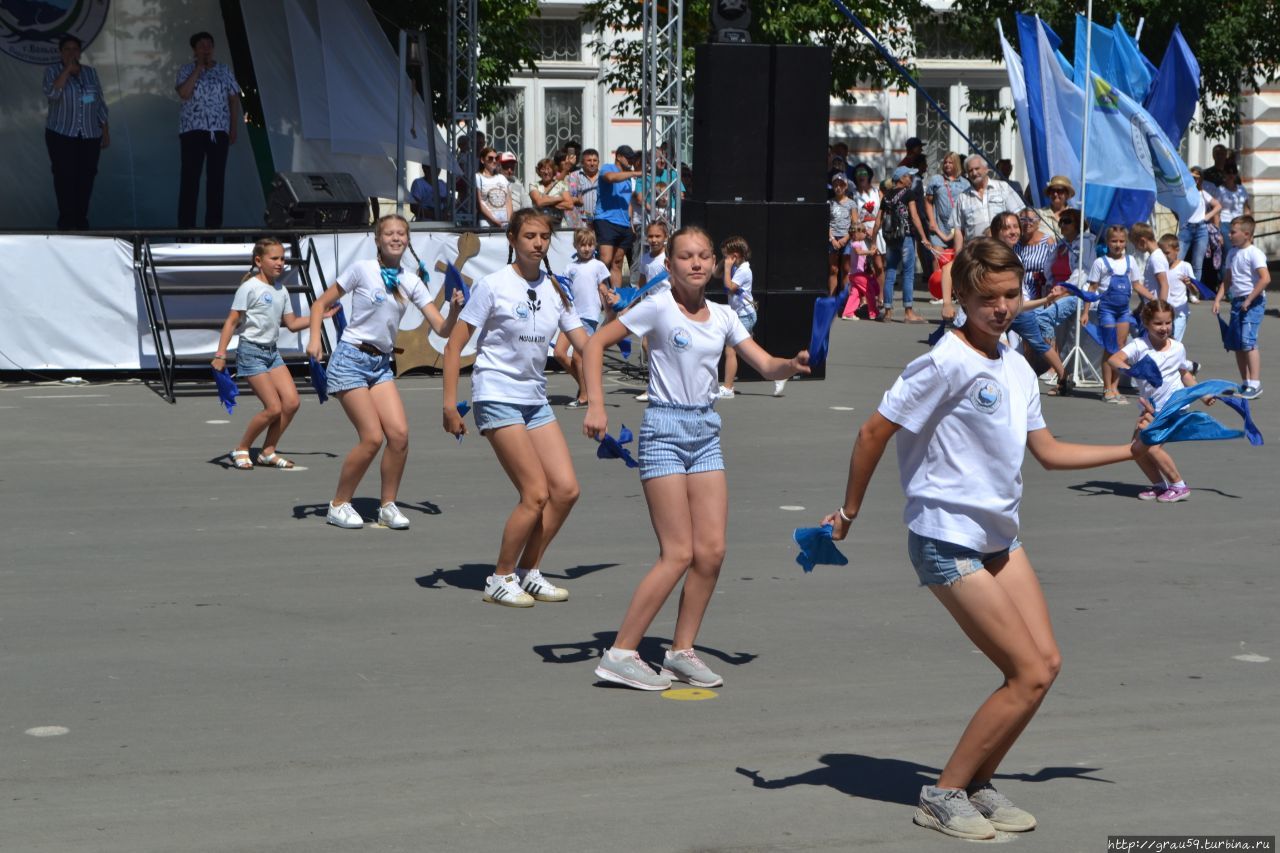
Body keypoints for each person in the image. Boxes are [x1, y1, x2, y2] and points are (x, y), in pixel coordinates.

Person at [822, 238, 1154, 840]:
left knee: (1046, 665)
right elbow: (873, 432)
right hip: (946, 539)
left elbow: (1048, 454)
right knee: (1025, 672)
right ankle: (943, 792)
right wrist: (848, 513)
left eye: (1010, 295)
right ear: (963, 299)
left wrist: (1129, 453)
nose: (1001, 308)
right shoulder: (944, 361)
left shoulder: (1018, 365)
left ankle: (977, 782)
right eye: (987, 299)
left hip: (1001, 540)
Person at [581, 224, 810, 691]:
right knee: (678, 552)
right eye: (686, 256)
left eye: (704, 255)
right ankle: (621, 652)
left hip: (705, 432)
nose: (697, 263)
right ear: (669, 265)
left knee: (711, 551)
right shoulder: (658, 306)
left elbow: (763, 365)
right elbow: (595, 344)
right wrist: (597, 405)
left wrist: (789, 365)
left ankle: (681, 652)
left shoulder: (725, 316)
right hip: (663, 430)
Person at [442, 209, 590, 606]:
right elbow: (454, 346)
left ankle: (529, 570)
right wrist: (449, 405)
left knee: (566, 490)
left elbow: (585, 344)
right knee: (535, 492)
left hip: (535, 398)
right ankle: (500, 577)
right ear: (512, 239)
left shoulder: (557, 290)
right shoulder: (493, 285)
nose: (538, 243)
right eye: (529, 236)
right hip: (496, 394)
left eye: (544, 236)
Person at [306, 214, 465, 529]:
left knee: (399, 435)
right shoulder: (361, 270)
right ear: (377, 240)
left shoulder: (411, 280)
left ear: (408, 240)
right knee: (371, 437)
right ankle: (339, 504)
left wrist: (455, 309)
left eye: (401, 234)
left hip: (380, 365)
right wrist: (314, 340)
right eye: (389, 233)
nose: (396, 238)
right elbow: (319, 304)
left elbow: (442, 329)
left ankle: (388, 505)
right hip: (350, 358)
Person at [214, 238, 334, 470]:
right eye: (275, 258)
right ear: (259, 261)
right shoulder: (248, 288)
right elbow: (231, 322)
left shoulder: (281, 290)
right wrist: (220, 355)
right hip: (251, 352)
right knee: (273, 408)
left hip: (272, 353)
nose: (280, 263)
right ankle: (242, 447)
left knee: (291, 402)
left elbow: (291, 323)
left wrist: (320, 317)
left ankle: (267, 451)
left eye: (283, 259)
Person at [1107, 300, 1200, 503]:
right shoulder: (1140, 346)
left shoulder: (1177, 348)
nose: (1164, 328)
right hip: (1150, 407)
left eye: (1168, 323)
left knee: (1151, 445)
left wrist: (1202, 393)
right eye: (1158, 323)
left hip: (1173, 406)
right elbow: (1114, 359)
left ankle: (1179, 485)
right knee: (1136, 448)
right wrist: (1131, 370)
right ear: (1147, 323)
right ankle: (1159, 485)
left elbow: (1184, 373)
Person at [175, 31, 241, 230]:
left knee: (216, 179)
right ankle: (186, 228)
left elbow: (233, 98)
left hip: (218, 130)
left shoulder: (224, 70)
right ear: (194, 50)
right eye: (201, 45)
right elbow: (184, 93)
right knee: (190, 178)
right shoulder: (186, 70)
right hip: (192, 130)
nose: (206, 48)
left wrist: (233, 127)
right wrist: (199, 69)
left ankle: (212, 228)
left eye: (209, 44)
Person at [43, 34, 109, 231]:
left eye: (75, 49)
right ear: (61, 52)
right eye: (67, 49)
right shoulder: (52, 70)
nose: (72, 52)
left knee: (86, 178)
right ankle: (66, 223)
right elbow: (52, 93)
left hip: (89, 135)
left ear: (80, 52)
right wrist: (66, 71)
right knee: (65, 178)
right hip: (62, 134)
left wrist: (105, 130)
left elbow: (98, 103)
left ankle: (81, 222)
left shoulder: (90, 73)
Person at [1088, 225, 1156, 404]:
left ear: (1126, 242)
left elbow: (1137, 285)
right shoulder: (1100, 262)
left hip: (1123, 311)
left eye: (1121, 241)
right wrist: (1085, 311)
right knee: (1109, 348)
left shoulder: (1130, 261)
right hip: (1107, 310)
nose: (1118, 245)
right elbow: (1092, 288)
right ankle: (1106, 388)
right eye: (1113, 241)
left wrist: (1153, 298)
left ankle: (1115, 387)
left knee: (1120, 347)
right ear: (1107, 242)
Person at [1214, 215, 1269, 399]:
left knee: (1248, 341)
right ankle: (1245, 383)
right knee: (1237, 344)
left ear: (1246, 234)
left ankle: (1255, 383)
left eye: (1233, 231)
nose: (1229, 235)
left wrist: (1249, 299)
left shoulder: (1254, 253)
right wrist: (1218, 299)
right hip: (1238, 301)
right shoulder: (1232, 253)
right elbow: (1227, 279)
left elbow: (1265, 278)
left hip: (1253, 302)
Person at [558, 227, 612, 408]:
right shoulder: (570, 267)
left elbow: (603, 289)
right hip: (570, 314)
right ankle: (585, 386)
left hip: (588, 315)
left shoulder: (598, 266)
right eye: (582, 245)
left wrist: (609, 313)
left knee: (579, 358)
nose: (586, 248)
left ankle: (584, 395)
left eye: (590, 245)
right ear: (575, 246)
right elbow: (564, 291)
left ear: (594, 245)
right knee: (559, 353)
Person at [877, 166, 930, 324]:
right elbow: (914, 217)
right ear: (901, 178)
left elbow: (878, 220)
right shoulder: (908, 193)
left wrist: (874, 241)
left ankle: (887, 312)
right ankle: (908, 313)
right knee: (908, 274)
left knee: (890, 273)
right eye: (908, 176)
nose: (911, 179)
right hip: (905, 237)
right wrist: (923, 238)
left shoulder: (886, 196)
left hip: (890, 238)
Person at [595, 145, 643, 288]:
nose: (630, 161)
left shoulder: (628, 179)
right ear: (619, 156)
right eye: (628, 158)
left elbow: (627, 202)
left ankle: (616, 297)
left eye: (632, 158)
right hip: (606, 220)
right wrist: (635, 174)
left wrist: (630, 223)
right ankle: (597, 294)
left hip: (623, 224)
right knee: (605, 260)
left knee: (617, 262)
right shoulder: (607, 167)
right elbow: (610, 178)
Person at [951, 156, 1024, 247]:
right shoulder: (963, 197)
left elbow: (1019, 214)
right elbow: (958, 230)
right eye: (970, 170)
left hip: (1002, 249)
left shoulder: (1003, 188)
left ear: (986, 169)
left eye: (977, 168)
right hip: (975, 252)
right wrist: (958, 257)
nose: (974, 173)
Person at [718, 235, 758, 398]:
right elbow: (715, 274)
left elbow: (729, 287)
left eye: (726, 256)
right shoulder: (736, 266)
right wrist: (723, 263)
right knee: (750, 352)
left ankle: (728, 388)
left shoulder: (744, 270)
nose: (725, 259)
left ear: (735, 256)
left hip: (744, 315)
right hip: (740, 314)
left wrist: (727, 268)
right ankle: (778, 374)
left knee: (730, 350)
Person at [1178, 167, 1220, 285]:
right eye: (1192, 177)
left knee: (1197, 264)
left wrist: (1207, 216)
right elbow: (1174, 205)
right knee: (1178, 259)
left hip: (1201, 228)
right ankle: (1177, 288)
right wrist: (1179, 215)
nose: (1194, 180)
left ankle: (1194, 291)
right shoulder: (1184, 192)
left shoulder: (1202, 193)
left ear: (1200, 180)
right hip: (1186, 227)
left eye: (1197, 178)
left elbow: (1218, 206)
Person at [925, 152, 968, 252]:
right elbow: (928, 201)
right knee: (938, 261)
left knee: (957, 262)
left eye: (950, 162)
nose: (947, 164)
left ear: (956, 164)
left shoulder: (965, 183)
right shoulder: (936, 180)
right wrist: (931, 221)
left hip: (957, 228)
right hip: (938, 227)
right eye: (945, 162)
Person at [1157, 234, 1194, 342]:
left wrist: (1189, 285)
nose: (1164, 256)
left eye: (1167, 252)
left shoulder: (1185, 266)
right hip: (1164, 312)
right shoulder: (1160, 267)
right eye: (1162, 253)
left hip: (1179, 314)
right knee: (1162, 342)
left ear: (1177, 250)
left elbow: (1196, 293)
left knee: (1173, 343)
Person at [841, 221, 880, 321]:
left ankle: (848, 313)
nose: (865, 233)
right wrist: (870, 252)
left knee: (855, 294)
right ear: (856, 233)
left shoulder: (856, 243)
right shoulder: (855, 244)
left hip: (854, 274)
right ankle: (873, 313)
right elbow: (859, 252)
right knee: (869, 291)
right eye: (863, 231)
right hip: (858, 275)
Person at [828, 172, 857, 296]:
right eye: (835, 185)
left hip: (847, 239)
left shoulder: (851, 203)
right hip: (833, 239)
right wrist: (832, 238)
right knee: (833, 269)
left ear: (845, 187)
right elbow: (826, 222)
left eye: (841, 185)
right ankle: (832, 299)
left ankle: (844, 299)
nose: (838, 187)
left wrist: (846, 238)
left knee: (846, 270)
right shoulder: (829, 203)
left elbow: (855, 223)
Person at [1130, 223, 1170, 303]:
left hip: (1157, 307)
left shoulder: (1156, 258)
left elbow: (1164, 285)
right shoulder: (1154, 256)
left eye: (1135, 244)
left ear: (1142, 241)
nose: (1136, 248)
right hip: (1152, 305)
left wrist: (1161, 308)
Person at [475, 146, 512, 228]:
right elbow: (480, 203)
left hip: (505, 223)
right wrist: (495, 221)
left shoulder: (502, 178)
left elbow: (508, 201)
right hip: (487, 223)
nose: (494, 161)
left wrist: (509, 221)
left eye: (496, 158)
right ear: (482, 160)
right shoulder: (478, 177)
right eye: (490, 158)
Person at [565, 148, 600, 229]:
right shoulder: (574, 176)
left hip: (600, 221)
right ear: (582, 162)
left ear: (598, 162)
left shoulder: (603, 176)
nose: (592, 163)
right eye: (589, 160)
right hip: (581, 222)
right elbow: (571, 198)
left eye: (595, 160)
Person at [529, 156, 569, 227]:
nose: (546, 172)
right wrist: (559, 198)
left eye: (548, 169)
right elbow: (539, 202)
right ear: (539, 171)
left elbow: (569, 204)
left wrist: (546, 200)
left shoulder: (562, 185)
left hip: (559, 225)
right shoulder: (534, 185)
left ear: (553, 170)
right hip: (540, 225)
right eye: (543, 169)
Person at [1034, 175, 1076, 242]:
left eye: (1060, 191)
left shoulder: (1076, 217)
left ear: (1067, 194)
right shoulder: (1038, 214)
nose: (1055, 194)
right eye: (1052, 190)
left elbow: (1085, 241)